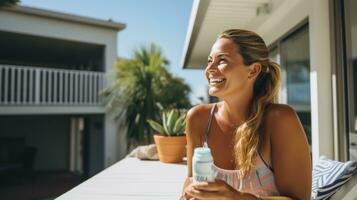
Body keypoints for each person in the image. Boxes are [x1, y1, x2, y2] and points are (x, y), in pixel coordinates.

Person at [181, 29, 312, 200]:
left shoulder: (280, 120)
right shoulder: (198, 119)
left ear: (253, 70)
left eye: (222, 60)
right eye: (209, 61)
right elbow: (190, 184)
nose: (209, 69)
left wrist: (237, 198)